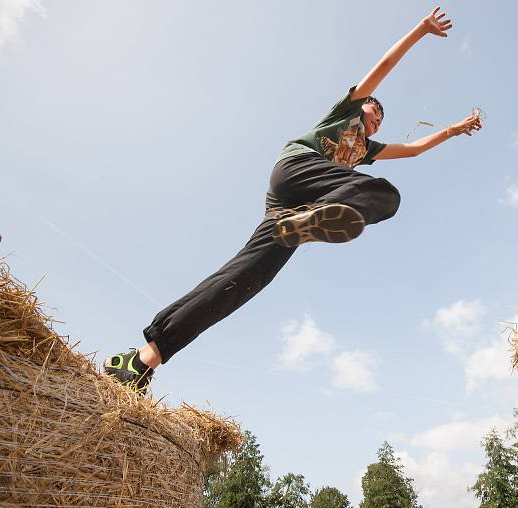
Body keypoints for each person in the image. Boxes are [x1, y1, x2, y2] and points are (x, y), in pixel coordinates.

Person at [104, 6, 483, 394]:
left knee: (243, 280)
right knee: (376, 190)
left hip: (292, 214)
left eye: (380, 119)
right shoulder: (346, 112)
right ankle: (316, 217)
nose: (376, 118)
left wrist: (454, 129)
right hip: (295, 170)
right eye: (374, 110)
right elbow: (384, 65)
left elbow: (415, 150)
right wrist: (420, 29)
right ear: (361, 105)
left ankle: (141, 359)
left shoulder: (367, 149)